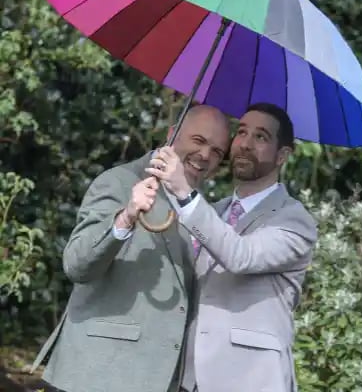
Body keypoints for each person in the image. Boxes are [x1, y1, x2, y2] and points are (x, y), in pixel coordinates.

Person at [30, 105, 231, 392]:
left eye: (217, 151)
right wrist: (125, 217)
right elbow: (76, 265)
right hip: (97, 376)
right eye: (198, 141)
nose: (206, 156)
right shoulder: (119, 181)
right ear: (172, 134)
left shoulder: (199, 209)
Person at [147, 103, 318, 392]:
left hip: (252, 379)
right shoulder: (212, 212)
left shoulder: (295, 220)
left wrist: (184, 193)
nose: (245, 144)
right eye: (241, 132)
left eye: (261, 137)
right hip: (191, 380)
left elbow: (240, 256)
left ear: (282, 155)